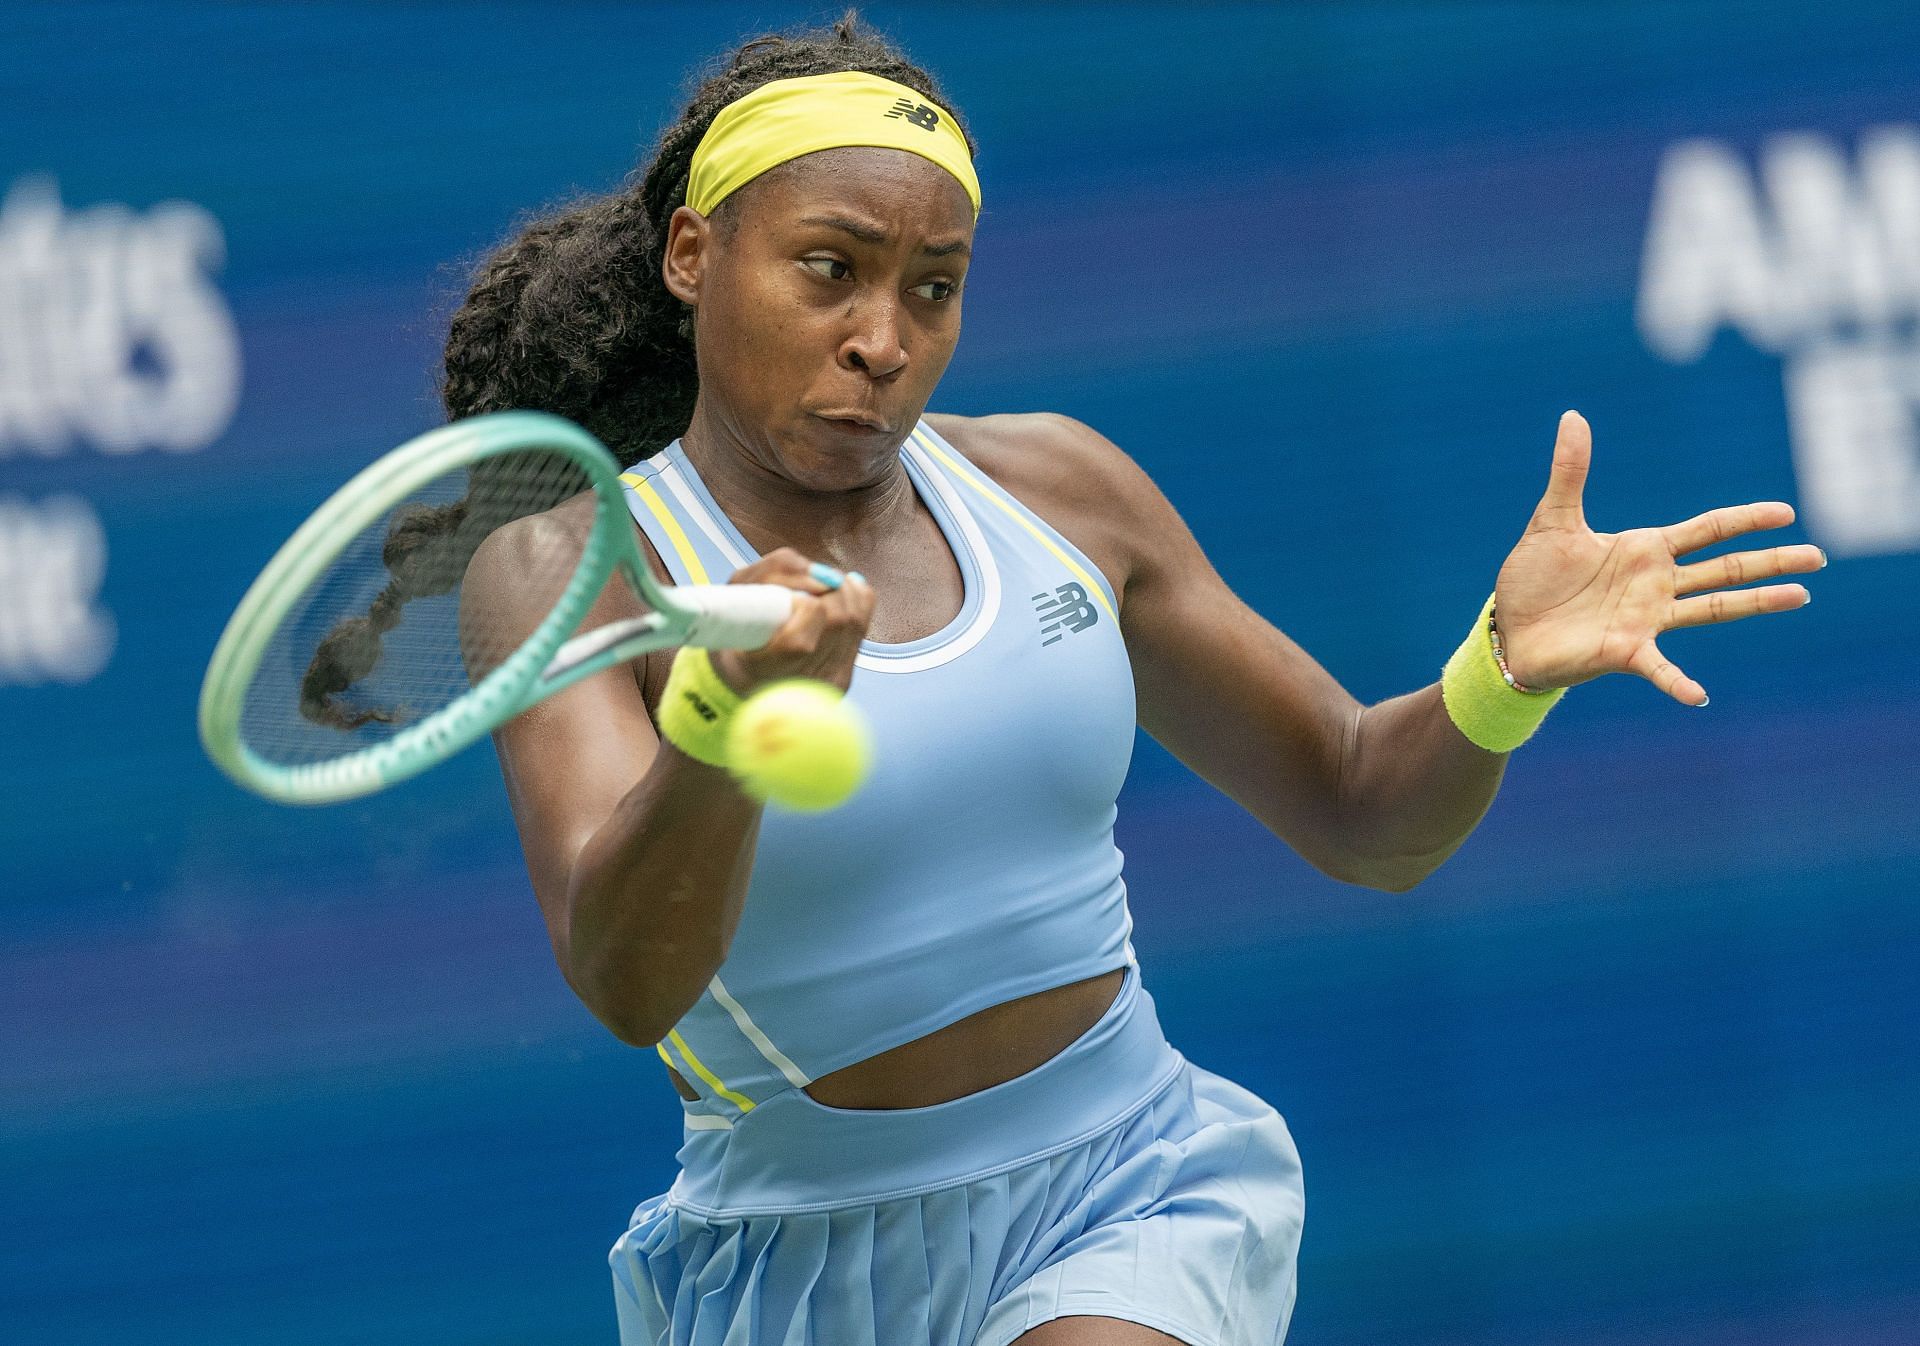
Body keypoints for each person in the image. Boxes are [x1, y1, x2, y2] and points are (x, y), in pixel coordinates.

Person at [436, 16, 1821, 1346]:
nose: (884, 338)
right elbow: (625, 979)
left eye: (934, 286)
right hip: (800, 1259)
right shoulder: (571, 566)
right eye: (828, 269)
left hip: (1130, 1189)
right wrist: (724, 720)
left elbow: (1358, 802)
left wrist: (1501, 672)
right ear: (695, 254)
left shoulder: (1061, 490)